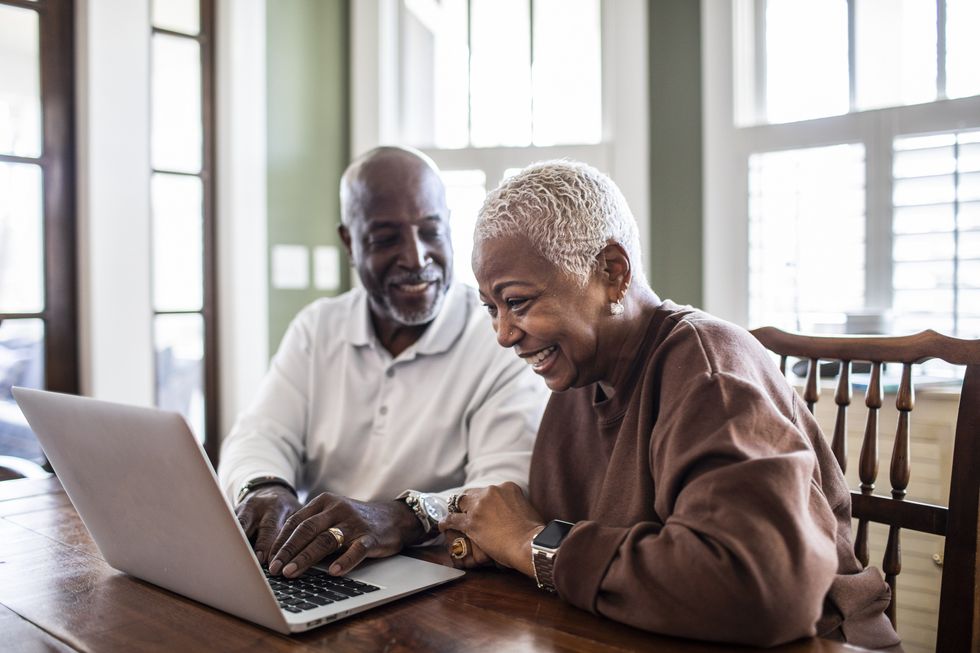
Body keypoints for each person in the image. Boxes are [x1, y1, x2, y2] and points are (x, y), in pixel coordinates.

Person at [440, 160, 901, 649]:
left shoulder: (709, 369)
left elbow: (761, 590)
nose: (504, 335)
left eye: (518, 302)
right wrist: (508, 542)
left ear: (612, 274)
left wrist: (532, 545)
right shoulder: (577, 378)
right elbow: (568, 540)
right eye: (491, 308)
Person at [218, 146, 548, 580]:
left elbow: (504, 491)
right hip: (313, 571)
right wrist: (265, 487)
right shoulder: (317, 328)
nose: (415, 258)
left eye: (431, 231)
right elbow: (259, 436)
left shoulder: (500, 338)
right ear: (349, 243)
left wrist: (405, 516)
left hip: (438, 580)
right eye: (386, 239)